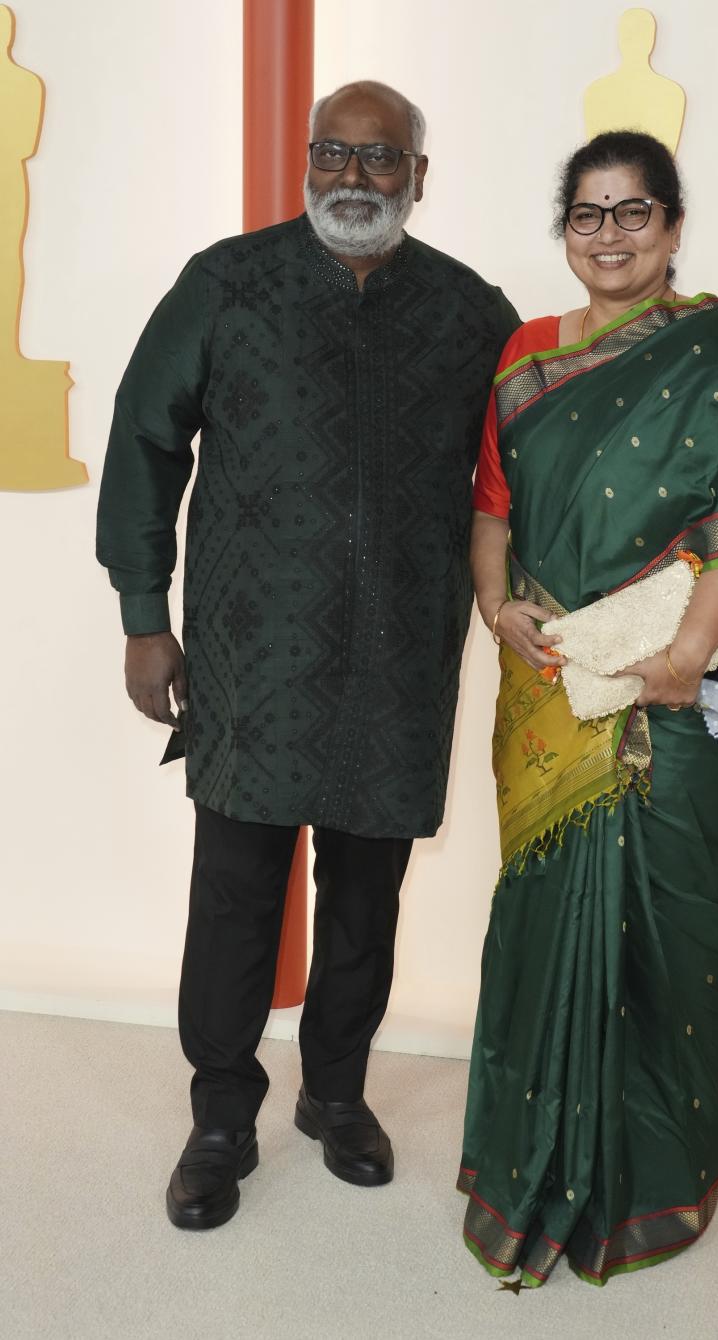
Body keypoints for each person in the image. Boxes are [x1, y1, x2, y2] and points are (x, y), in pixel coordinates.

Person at [96, 80, 519, 1231]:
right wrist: (146, 612)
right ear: (307, 163)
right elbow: (145, 438)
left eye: (381, 159)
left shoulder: (473, 312)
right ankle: (222, 1113)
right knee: (235, 894)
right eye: (332, 152)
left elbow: (525, 465)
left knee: (366, 897)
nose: (352, 176)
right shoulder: (227, 283)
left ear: (419, 178)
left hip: (397, 664)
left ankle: (336, 1093)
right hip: (248, 657)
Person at [460, 130, 718, 1287]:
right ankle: (528, 1167)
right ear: (566, 232)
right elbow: (491, 505)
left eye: (633, 213)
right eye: (588, 215)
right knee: (542, 925)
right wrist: (496, 607)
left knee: (675, 927)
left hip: (682, 700)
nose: (610, 235)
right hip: (549, 691)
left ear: (675, 226)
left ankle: (658, 1181)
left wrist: (689, 650)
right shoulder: (526, 358)